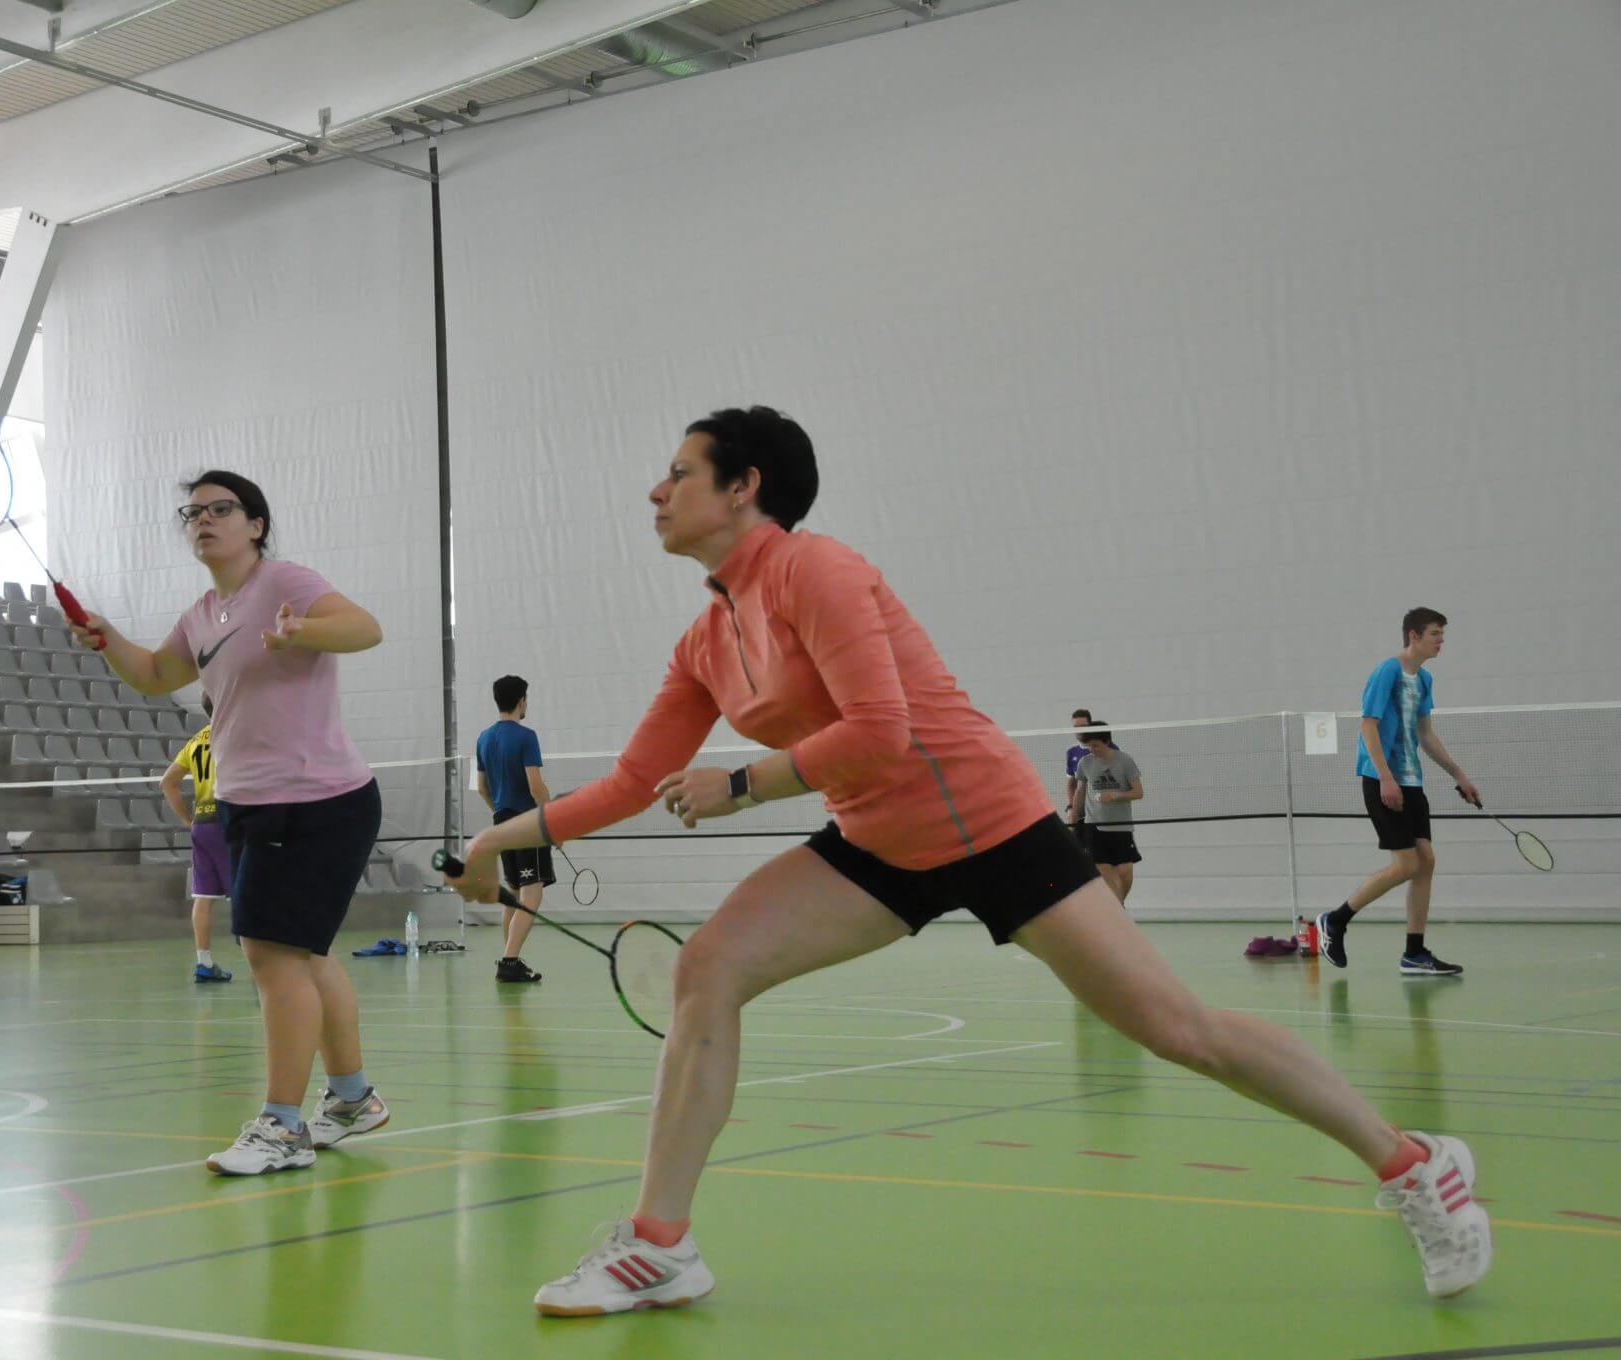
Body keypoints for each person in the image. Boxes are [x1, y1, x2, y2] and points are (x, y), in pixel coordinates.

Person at [445, 407, 1491, 1314]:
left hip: (989, 826)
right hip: (874, 846)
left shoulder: (817, 569)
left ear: (742, 486)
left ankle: (1414, 1166)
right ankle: (659, 1244)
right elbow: (631, 783)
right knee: (705, 967)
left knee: (1179, 1029)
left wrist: (746, 782)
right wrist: (498, 838)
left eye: (677, 471)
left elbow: (883, 731)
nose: (654, 489)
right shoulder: (704, 641)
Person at [72, 468, 390, 1175]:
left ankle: (281, 1126)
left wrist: (302, 629)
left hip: (312, 797)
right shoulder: (202, 613)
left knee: (270, 957)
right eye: (193, 512)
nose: (204, 520)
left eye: (221, 509)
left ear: (255, 524)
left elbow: (365, 628)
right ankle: (350, 1098)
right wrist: (109, 636)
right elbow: (156, 674)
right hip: (252, 801)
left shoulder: (284, 583)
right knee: (303, 955)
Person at [1317, 609, 1478, 977]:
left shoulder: (1424, 680)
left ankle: (1414, 952)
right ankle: (1335, 921)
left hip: (1412, 782)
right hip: (1382, 780)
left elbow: (1426, 734)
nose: (1441, 640)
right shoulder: (1387, 671)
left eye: (1442, 634)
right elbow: (1368, 726)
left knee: (1426, 861)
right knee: (1406, 864)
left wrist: (1459, 775)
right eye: (1435, 633)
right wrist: (1385, 777)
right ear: (1413, 635)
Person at [475, 674, 551, 983]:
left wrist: (499, 813)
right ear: (521, 701)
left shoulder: (482, 738)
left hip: (502, 821)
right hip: (528, 824)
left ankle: (511, 959)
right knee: (532, 894)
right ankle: (509, 961)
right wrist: (551, 817)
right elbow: (535, 786)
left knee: (517, 894)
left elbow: (482, 788)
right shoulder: (525, 736)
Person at [163, 694, 232, 983]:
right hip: (229, 818)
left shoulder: (196, 739)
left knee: (203, 896)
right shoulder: (233, 733)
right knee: (245, 892)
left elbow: (167, 783)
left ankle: (204, 963)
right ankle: (264, 961)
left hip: (202, 824)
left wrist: (187, 820)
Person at [1070, 726, 1143, 903]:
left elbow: (1138, 792)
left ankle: (1119, 905)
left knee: (1125, 871)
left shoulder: (1125, 761)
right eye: (1089, 746)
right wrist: (1073, 817)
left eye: (1096, 745)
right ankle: (1117, 910)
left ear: (1107, 742)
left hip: (1121, 825)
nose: (1092, 750)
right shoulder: (1085, 763)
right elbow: (1080, 791)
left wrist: (1115, 796)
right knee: (1104, 871)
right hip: (1094, 825)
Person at [1063, 708, 1096, 828]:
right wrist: (1071, 807)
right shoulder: (1071, 752)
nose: (1079, 730)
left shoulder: (1107, 748)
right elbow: (1071, 783)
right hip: (1080, 807)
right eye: (1076, 727)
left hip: (1102, 808)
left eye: (1083, 726)